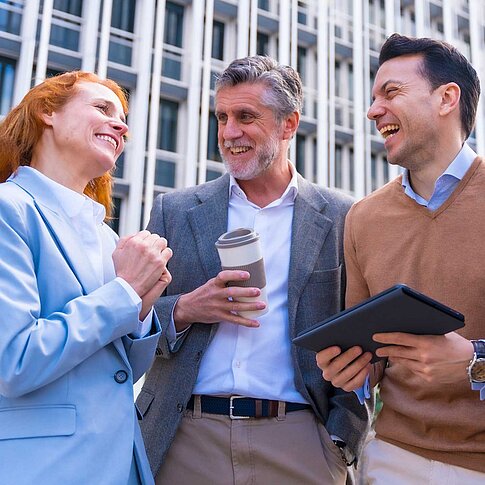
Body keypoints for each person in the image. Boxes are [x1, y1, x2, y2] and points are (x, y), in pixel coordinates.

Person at [136, 55, 372, 485]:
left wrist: (340, 438)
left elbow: (362, 329)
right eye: (222, 116)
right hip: (184, 435)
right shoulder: (175, 210)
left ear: (289, 124)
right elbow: (132, 324)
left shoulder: (345, 216)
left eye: (246, 116)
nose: (228, 132)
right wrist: (187, 308)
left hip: (301, 438)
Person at [316, 34, 485, 484]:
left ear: (447, 97)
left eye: (390, 93)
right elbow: (368, 352)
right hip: (392, 458)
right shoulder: (362, 218)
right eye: (373, 99)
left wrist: (475, 364)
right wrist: (352, 369)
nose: (373, 111)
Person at [0, 71, 173, 484]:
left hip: (120, 465)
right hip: (44, 467)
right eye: (102, 108)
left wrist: (141, 309)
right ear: (47, 113)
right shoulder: (10, 209)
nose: (122, 125)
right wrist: (125, 293)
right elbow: (13, 360)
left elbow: (118, 372)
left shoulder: (106, 235)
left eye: (123, 117)